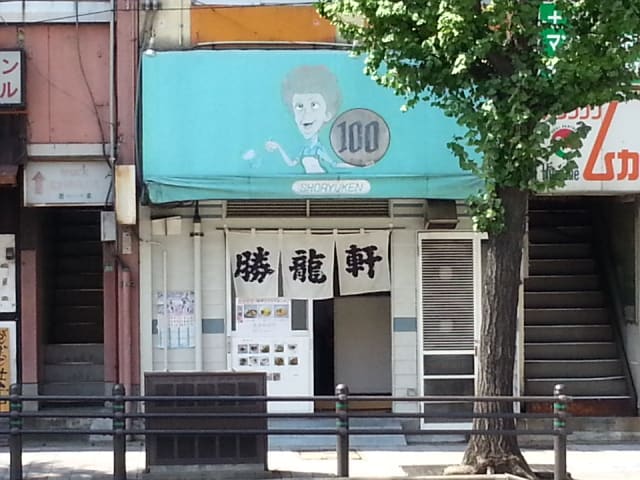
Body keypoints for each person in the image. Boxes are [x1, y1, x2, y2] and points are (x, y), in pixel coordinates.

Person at [265, 65, 353, 174]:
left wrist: (356, 165)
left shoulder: (318, 149)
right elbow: (292, 163)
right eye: (299, 106)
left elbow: (334, 164)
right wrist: (278, 147)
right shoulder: (304, 150)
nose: (306, 113)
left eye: (314, 105)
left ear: (327, 114)